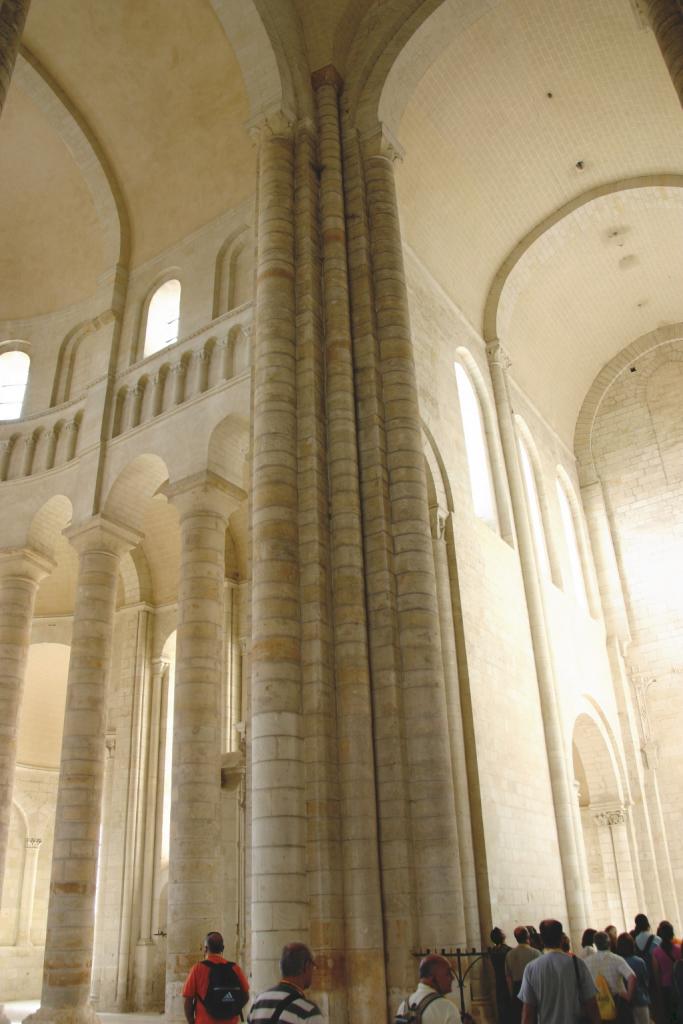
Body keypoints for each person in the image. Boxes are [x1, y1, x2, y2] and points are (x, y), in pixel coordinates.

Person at [518, 919, 600, 1024]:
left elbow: (528, 1013)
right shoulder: (577, 963)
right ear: (561, 938)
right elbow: (591, 1003)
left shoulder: (531, 968)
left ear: (541, 939)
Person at [183, 932, 249, 1024]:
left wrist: (191, 1021)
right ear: (223, 948)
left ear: (206, 949)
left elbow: (188, 1000)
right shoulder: (235, 968)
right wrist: (232, 1010)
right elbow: (246, 996)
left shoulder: (198, 969)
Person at [248, 943, 323, 1023]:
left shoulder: (258, 1002)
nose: (313, 971)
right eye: (313, 966)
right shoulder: (309, 1011)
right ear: (306, 966)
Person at [585, 932, 636, 1023]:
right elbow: (632, 977)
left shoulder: (587, 962)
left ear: (595, 944)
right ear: (609, 943)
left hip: (597, 1004)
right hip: (617, 1002)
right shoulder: (616, 959)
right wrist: (628, 995)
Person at [396, 953, 459, 1024]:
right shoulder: (447, 1008)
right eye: (447, 974)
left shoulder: (403, 1006)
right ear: (431, 977)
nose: (452, 978)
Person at [506, 926, 542, 1024]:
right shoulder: (536, 953)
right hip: (533, 988)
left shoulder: (509, 954)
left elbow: (508, 978)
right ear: (528, 936)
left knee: (520, 1018)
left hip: (517, 989)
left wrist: (512, 994)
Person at [616, 932, 650, 1024]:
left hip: (624, 1004)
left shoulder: (617, 962)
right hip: (640, 1000)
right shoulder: (639, 962)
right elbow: (646, 981)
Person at [651, 921, 681, 1024]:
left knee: (669, 1012)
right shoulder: (679, 949)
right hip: (679, 985)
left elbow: (656, 972)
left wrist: (658, 988)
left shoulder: (656, 952)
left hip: (665, 986)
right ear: (672, 934)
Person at [490, 928, 514, 1024]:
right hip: (508, 980)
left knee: (501, 1006)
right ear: (502, 936)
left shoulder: (493, 951)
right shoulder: (508, 950)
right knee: (510, 1006)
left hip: (498, 980)